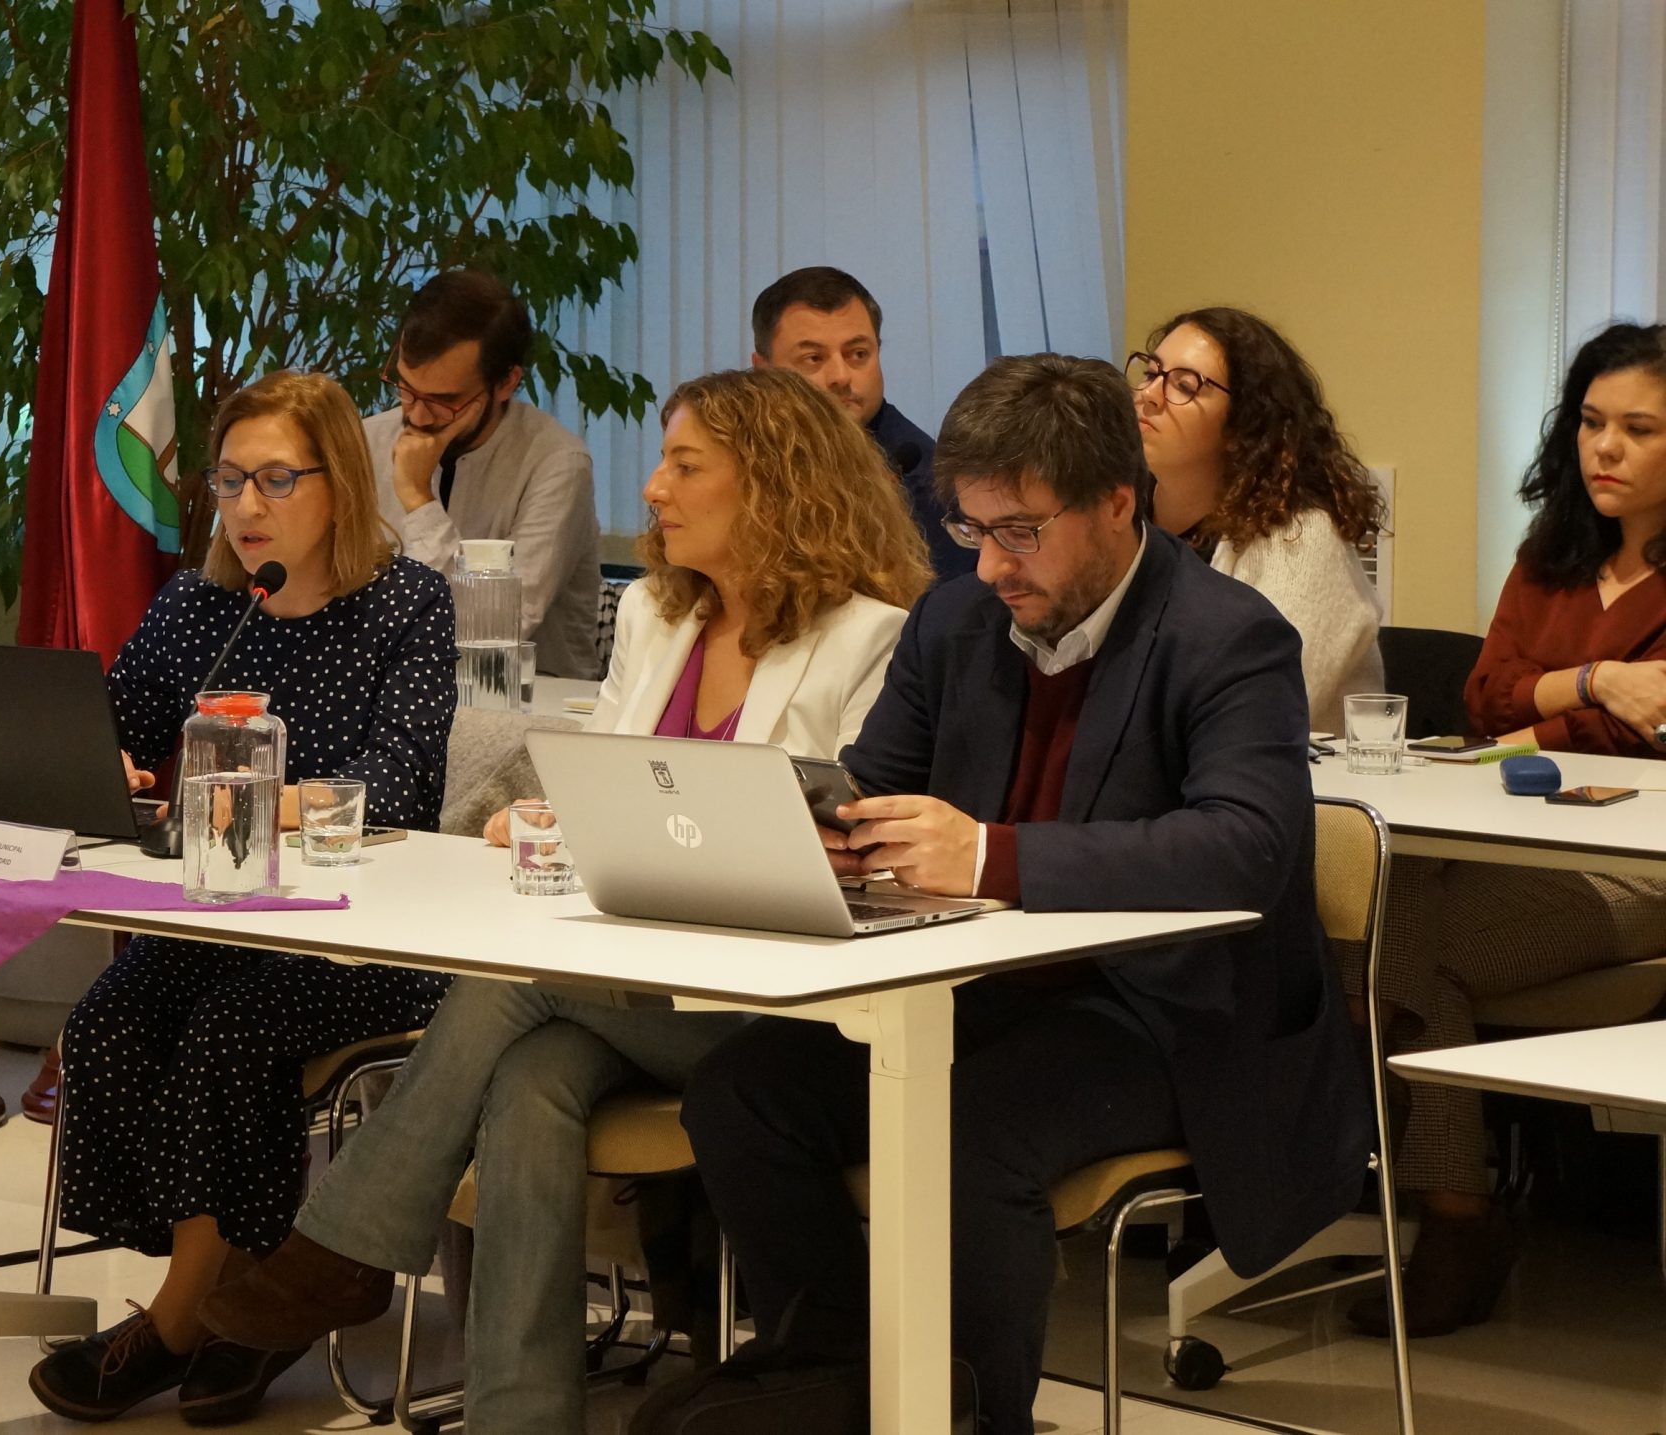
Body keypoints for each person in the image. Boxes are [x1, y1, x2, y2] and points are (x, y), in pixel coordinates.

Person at [636, 355, 1369, 1435]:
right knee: (741, 1091)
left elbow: (1246, 846)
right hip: (982, 987)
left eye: (1019, 531)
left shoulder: (1226, 635)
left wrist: (990, 857)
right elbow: (870, 782)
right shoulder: (955, 621)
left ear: (1117, 502)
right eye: (972, 529)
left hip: (1164, 1012)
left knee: (964, 1135)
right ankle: (845, 1376)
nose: (988, 566)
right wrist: (822, 832)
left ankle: (978, 1417)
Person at [194, 366, 933, 1435]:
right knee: (531, 1078)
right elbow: (614, 794)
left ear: (774, 484)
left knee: (513, 988)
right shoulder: (655, 619)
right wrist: (554, 816)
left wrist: (603, 827)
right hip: (623, 984)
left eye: (684, 465)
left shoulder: (872, 636)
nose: (653, 489)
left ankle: (346, 1243)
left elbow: (835, 844)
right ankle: (519, 1418)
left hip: (770, 1006)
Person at [29, 370, 458, 1425]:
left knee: (229, 1030)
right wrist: (107, 764)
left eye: (274, 479)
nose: (246, 506)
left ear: (338, 483)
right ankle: (243, 1298)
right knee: (110, 1020)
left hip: (362, 937)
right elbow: (115, 727)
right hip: (223, 919)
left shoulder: (406, 605)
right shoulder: (201, 607)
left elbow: (400, 783)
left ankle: (180, 1321)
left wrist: (264, 796)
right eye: (227, 481)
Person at [1345, 322, 1666, 1339]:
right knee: (1399, 911)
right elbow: (1483, 697)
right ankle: (1453, 1212)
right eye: (1591, 422)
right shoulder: (1550, 555)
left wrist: (1549, 709)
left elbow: (1642, 729)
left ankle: (1452, 1215)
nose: (1604, 448)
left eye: (1639, 429)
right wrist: (1596, 684)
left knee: (1403, 953)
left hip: (1637, 872)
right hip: (1506, 847)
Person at [1132, 306, 1386, 732]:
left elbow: (1260, 712)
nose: (1149, 395)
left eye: (1184, 385)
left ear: (1243, 425)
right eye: (1151, 373)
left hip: (1289, 770)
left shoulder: (1298, 537)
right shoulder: (1119, 515)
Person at [368, 268, 603, 678]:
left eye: (444, 400)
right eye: (405, 388)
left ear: (506, 383)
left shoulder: (558, 463)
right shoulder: (367, 440)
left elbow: (496, 633)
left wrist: (418, 500)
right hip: (396, 691)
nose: (416, 415)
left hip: (533, 699)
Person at [750, 265, 969, 581]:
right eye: (814, 358)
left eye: (858, 354)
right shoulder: (741, 457)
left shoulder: (927, 485)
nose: (840, 376)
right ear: (763, 370)